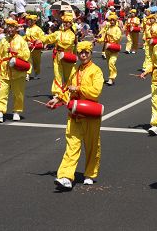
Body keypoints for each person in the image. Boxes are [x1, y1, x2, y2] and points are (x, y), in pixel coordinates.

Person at [47, 41, 104, 190]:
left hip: (90, 113)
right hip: (74, 113)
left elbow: (96, 91)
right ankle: (65, 176)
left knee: (92, 145)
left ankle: (90, 174)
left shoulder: (96, 71)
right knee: (72, 145)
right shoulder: (75, 70)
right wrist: (57, 99)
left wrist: (79, 88)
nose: (83, 55)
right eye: (80, 53)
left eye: (86, 52)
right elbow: (67, 89)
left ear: (91, 53)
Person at [0, 19, 30, 123]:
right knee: (2, 91)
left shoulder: (21, 41)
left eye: (12, 27)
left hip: (18, 71)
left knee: (18, 93)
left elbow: (26, 55)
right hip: (5, 71)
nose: (10, 29)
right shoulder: (3, 40)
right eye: (8, 26)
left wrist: (15, 52)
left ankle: (16, 111)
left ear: (16, 29)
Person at [42, 14, 77, 94]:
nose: (65, 24)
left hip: (67, 56)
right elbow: (48, 38)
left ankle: (68, 91)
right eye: (64, 22)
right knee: (57, 74)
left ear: (71, 24)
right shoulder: (58, 33)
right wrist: (40, 40)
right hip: (57, 56)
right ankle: (57, 92)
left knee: (68, 75)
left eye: (68, 22)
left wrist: (57, 40)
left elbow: (67, 44)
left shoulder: (72, 34)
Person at [97, 13, 122, 86]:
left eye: (113, 20)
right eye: (110, 20)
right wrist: (98, 40)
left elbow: (117, 38)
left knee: (112, 63)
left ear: (115, 21)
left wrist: (110, 34)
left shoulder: (117, 29)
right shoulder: (107, 28)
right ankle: (111, 78)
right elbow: (103, 38)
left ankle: (111, 78)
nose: (111, 21)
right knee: (109, 64)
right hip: (107, 48)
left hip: (114, 48)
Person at [24, 14, 45, 80]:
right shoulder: (27, 28)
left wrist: (38, 41)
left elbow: (42, 37)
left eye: (30, 20)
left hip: (36, 47)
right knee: (28, 60)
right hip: (28, 46)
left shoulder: (38, 29)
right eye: (28, 20)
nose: (29, 22)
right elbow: (25, 37)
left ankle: (37, 73)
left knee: (36, 62)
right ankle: (27, 74)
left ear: (34, 21)